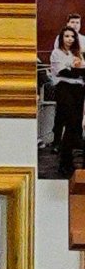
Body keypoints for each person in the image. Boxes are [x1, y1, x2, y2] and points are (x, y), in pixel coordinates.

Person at [50, 26, 85, 177]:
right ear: (61, 38)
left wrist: (75, 71)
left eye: (72, 36)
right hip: (64, 88)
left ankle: (69, 161)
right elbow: (63, 72)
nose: (70, 39)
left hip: (78, 90)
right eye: (67, 36)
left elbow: (78, 71)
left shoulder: (77, 53)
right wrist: (76, 71)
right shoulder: (56, 53)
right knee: (70, 123)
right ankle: (64, 163)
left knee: (75, 126)